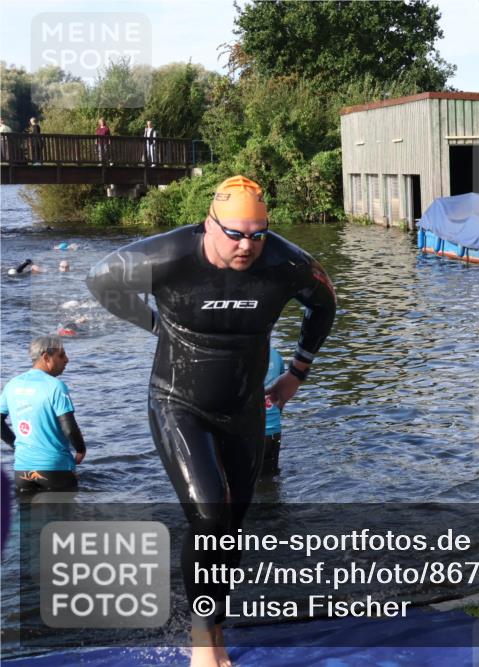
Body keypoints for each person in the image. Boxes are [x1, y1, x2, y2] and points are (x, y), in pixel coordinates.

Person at [86, 175, 336, 667]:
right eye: (236, 233)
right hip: (178, 400)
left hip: (244, 407)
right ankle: (202, 642)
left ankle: (214, 628)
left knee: (231, 528)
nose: (247, 246)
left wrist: (297, 374)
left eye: (257, 234)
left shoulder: (285, 262)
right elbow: (101, 279)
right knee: (207, 516)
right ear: (209, 224)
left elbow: (324, 305)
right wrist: (155, 324)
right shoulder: (169, 255)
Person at [0, 336, 86, 494]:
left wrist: (15, 444)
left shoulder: (12, 384)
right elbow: (69, 427)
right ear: (46, 357)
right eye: (61, 355)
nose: (67, 360)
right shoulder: (56, 386)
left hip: (22, 470)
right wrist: (81, 449)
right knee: (63, 516)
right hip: (55, 469)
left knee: (27, 517)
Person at [262, 344, 284, 474]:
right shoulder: (276, 355)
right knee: (271, 478)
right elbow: (281, 396)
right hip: (275, 431)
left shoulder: (241, 356)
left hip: (251, 435)